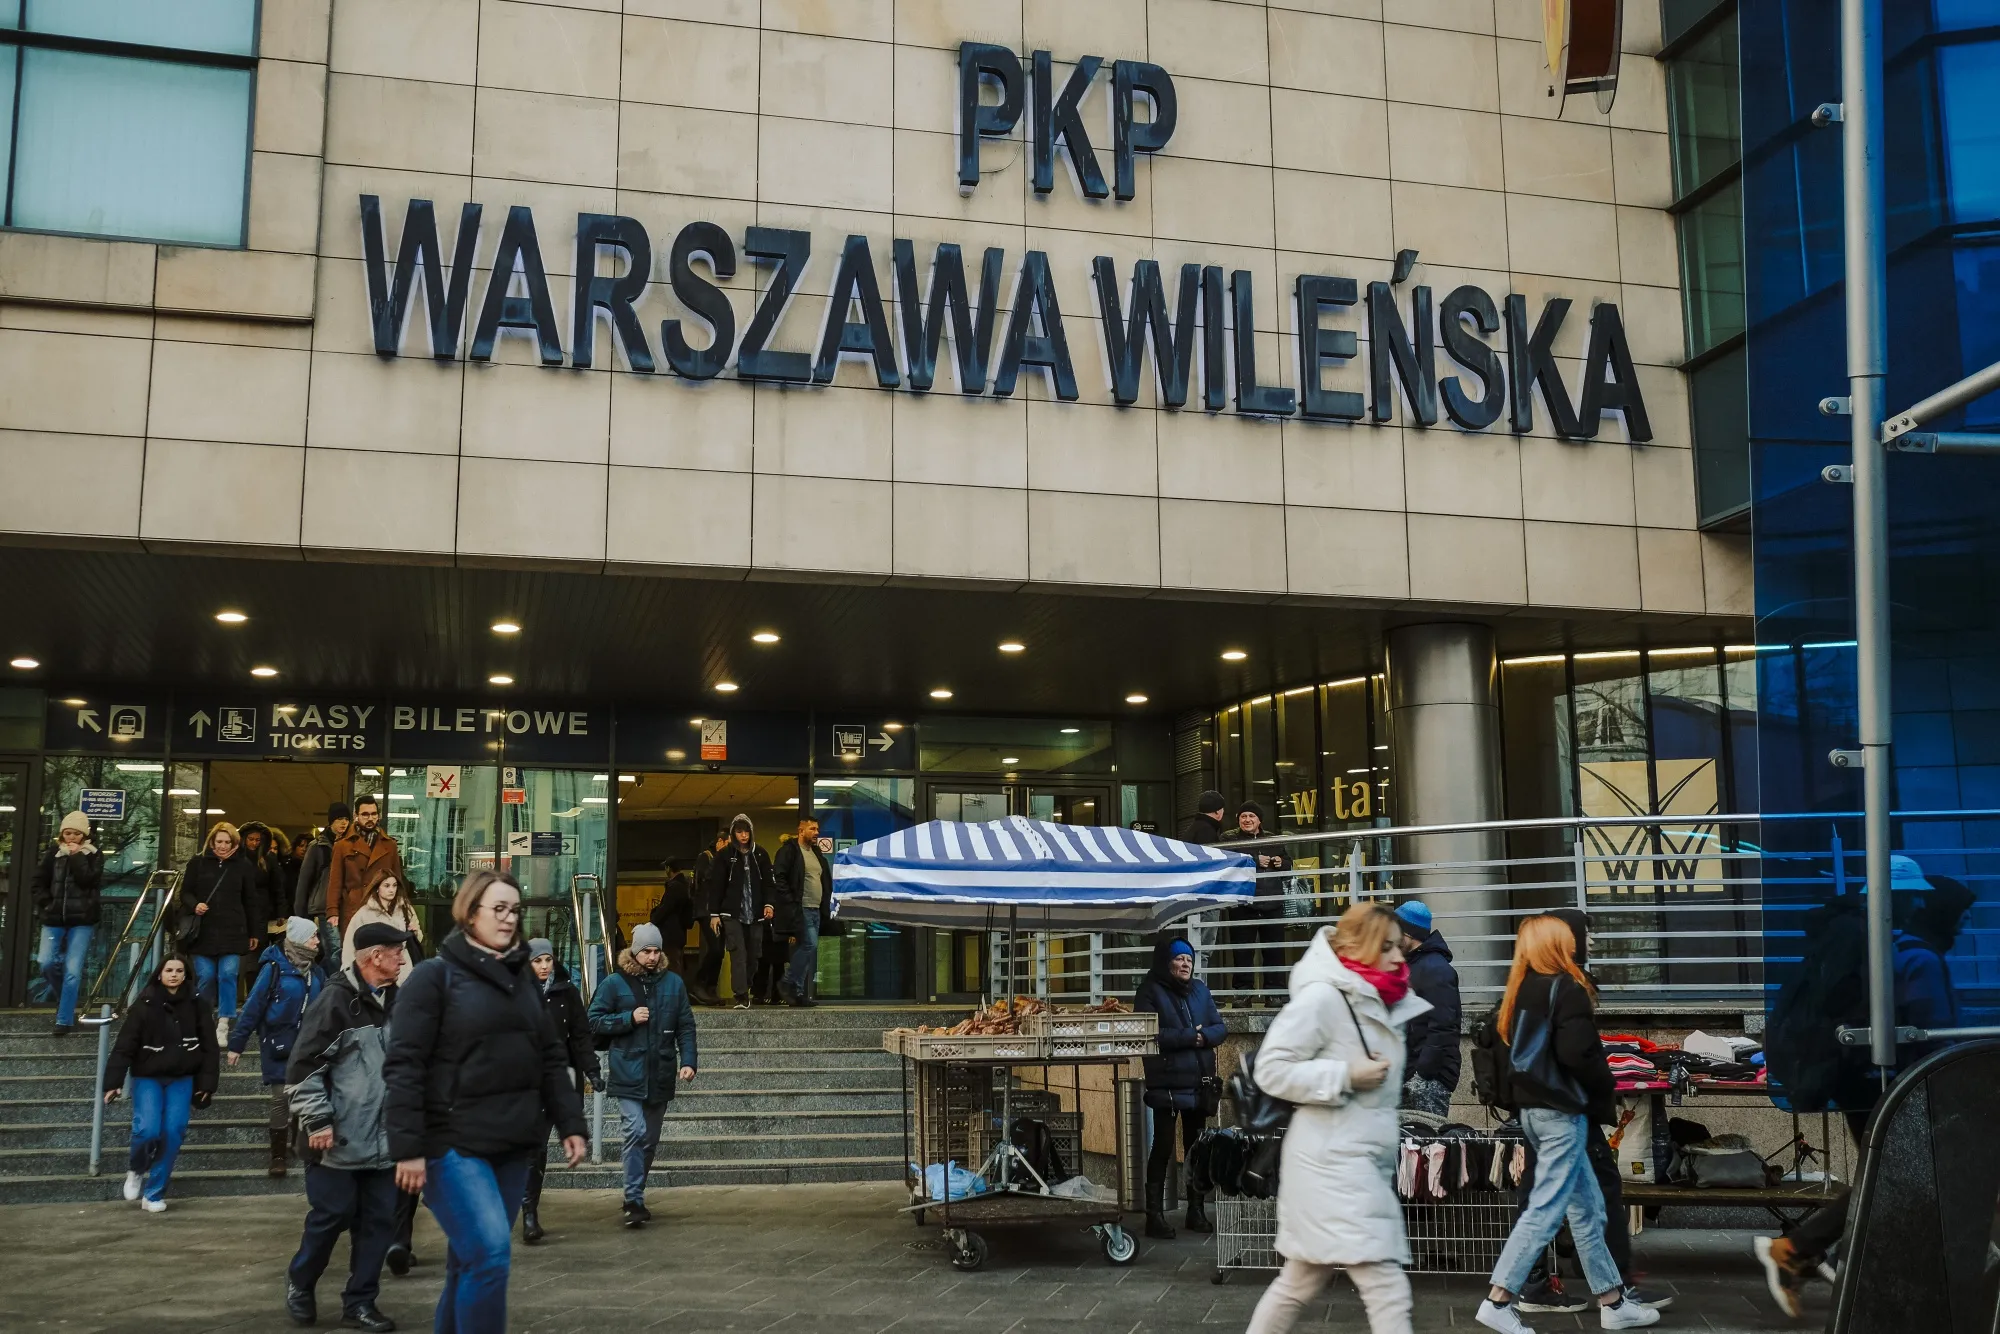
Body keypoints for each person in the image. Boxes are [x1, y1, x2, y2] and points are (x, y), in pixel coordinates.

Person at [1753, 864, 1976, 1317]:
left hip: (1858, 1078)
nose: (1918, 903)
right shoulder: (1916, 956)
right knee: (1897, 1182)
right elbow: (1932, 1032)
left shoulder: (1873, 945)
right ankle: (1804, 1251)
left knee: (1893, 1181)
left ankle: (1811, 1252)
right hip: (1892, 1084)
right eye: (1912, 896)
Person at [383, 868, 589, 1334]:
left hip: (514, 1143)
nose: (509, 918)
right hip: (451, 1144)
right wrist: (408, 1147)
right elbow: (404, 1066)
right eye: (498, 909)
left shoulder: (522, 980)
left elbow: (552, 1056)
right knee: (491, 1254)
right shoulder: (433, 979)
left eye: (515, 910)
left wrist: (570, 1122)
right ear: (469, 912)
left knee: (469, 1262)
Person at [1240, 902, 1429, 1334]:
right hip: (1333, 1162)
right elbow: (1271, 1069)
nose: (1400, 958)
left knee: (1299, 1281)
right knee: (1386, 1287)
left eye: (1400, 948)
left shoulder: (1382, 1000)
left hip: (1351, 1159)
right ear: (1361, 948)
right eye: (1388, 948)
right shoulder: (1325, 998)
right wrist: (1345, 1074)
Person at [1475, 915, 1658, 1333]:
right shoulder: (1567, 988)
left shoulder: (1521, 989)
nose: (1588, 939)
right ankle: (1498, 1301)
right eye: (1581, 935)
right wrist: (1603, 1089)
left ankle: (1613, 1302)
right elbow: (1579, 1054)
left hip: (1534, 1111)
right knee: (1545, 1210)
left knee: (1587, 1208)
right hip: (1562, 1113)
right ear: (1562, 944)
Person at [284, 922, 411, 1333]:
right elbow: (303, 1068)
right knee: (332, 1215)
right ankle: (301, 1282)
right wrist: (316, 1118)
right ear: (374, 956)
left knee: (377, 1224)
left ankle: (360, 1303)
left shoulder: (399, 1002)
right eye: (396, 952)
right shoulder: (335, 1002)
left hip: (383, 1142)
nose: (402, 959)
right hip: (335, 1141)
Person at [588, 922, 698, 1227]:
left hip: (660, 1071)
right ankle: (633, 1198)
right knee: (635, 1131)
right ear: (634, 952)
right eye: (646, 951)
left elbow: (686, 1026)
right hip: (628, 1072)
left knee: (649, 1139)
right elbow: (593, 1021)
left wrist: (688, 1061)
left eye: (655, 951)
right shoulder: (615, 983)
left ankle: (636, 1192)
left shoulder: (674, 984)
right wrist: (628, 1018)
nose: (651, 957)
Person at [104, 956, 219, 1212]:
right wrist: (113, 1082)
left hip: (182, 1078)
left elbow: (210, 1047)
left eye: (179, 971)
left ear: (186, 975)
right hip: (148, 1077)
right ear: (159, 974)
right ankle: (136, 1168)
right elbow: (125, 1045)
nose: (174, 974)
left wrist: (207, 1084)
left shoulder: (198, 1004)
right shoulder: (144, 1004)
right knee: (147, 1130)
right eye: (169, 970)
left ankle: (153, 1194)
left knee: (173, 1132)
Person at [1134, 936, 1225, 1240]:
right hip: (1167, 1084)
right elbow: (1149, 1034)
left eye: (1189, 958)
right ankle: (1154, 1216)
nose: (1186, 963)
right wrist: (1190, 1036)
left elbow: (1219, 1027)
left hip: (1198, 1083)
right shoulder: (1149, 990)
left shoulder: (1199, 990)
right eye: (1179, 958)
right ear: (1165, 961)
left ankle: (1195, 1210)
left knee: (1196, 1148)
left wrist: (1203, 1037)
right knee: (1162, 1147)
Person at [229, 916, 326, 1178]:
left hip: (308, 1047)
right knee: (281, 1098)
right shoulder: (273, 968)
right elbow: (253, 1007)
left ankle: (299, 1143)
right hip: (279, 1044)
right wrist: (236, 1043)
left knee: (305, 1096)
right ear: (299, 939)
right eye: (313, 935)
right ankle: (278, 1154)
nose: (318, 940)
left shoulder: (316, 971)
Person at [520, 937, 600, 1245]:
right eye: (537, 961)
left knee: (540, 1147)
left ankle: (529, 1207)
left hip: (561, 1078)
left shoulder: (566, 992)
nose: (543, 966)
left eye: (547, 960)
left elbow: (580, 1036)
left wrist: (592, 1070)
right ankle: (529, 1212)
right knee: (535, 1148)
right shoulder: (517, 992)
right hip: (526, 1080)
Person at [180, 820, 266, 1043]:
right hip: (203, 932)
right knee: (206, 977)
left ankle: (224, 1022)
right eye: (219, 841)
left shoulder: (243, 865)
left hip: (233, 930)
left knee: (228, 975)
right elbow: (185, 892)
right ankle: (205, 1018)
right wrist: (194, 905)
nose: (223, 846)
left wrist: (254, 932)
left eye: (228, 842)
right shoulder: (197, 863)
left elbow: (251, 901)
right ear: (212, 842)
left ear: (234, 843)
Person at [30, 811, 103, 1036]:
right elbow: (38, 882)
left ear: (84, 835)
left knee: (72, 970)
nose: (71, 838)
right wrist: (46, 903)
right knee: (46, 963)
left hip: (82, 921)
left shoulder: (93, 855)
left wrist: (76, 857)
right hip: (54, 920)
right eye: (67, 833)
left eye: (76, 834)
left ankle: (63, 1020)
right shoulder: (52, 854)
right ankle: (67, 1003)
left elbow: (89, 879)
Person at [1392, 901, 1461, 1117]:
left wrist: (1422, 1074)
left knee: (1424, 1145)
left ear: (1408, 934)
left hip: (1426, 1081)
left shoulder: (1435, 969)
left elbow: (1443, 1026)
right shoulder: (1414, 965)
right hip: (1413, 1075)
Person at [703, 814, 776, 1009]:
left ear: (751, 832)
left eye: (746, 831)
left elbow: (769, 883)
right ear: (734, 834)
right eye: (739, 832)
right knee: (738, 953)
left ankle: (746, 987)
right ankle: (741, 994)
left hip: (756, 914)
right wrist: (714, 914)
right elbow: (716, 885)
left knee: (754, 955)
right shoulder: (725, 855)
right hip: (731, 914)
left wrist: (769, 904)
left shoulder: (760, 854)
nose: (743, 836)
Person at [1221, 801, 1292, 1002]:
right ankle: (1243, 994)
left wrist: (1280, 863)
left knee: (1274, 952)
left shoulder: (1273, 839)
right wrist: (1255, 859)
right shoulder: (1229, 838)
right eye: (1243, 816)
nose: (1247, 820)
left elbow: (1288, 864)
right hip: (1243, 904)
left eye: (1251, 816)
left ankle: (1274, 994)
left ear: (1259, 820)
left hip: (1272, 903)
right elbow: (1228, 859)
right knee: (1242, 952)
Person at [329, 797, 408, 942]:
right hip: (354, 907)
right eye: (365, 814)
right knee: (353, 953)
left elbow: (397, 879)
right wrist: (332, 912)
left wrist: (401, 908)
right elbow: (335, 881)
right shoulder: (342, 845)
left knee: (382, 954)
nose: (370, 818)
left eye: (374, 814)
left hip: (382, 907)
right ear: (356, 816)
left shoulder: (389, 845)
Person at [774, 818, 833, 1007]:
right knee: (810, 945)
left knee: (805, 950)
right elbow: (780, 876)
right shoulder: (790, 851)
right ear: (801, 830)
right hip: (801, 908)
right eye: (812, 829)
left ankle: (797, 992)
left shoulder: (816, 853)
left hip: (816, 908)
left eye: (817, 829)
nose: (816, 832)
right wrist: (791, 901)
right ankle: (787, 981)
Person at [295, 803, 353, 962]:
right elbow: (304, 881)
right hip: (324, 907)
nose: (344, 823)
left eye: (347, 819)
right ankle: (333, 985)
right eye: (339, 818)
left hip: (347, 905)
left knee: (343, 950)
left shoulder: (352, 845)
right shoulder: (317, 847)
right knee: (335, 950)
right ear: (331, 821)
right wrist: (301, 915)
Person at [343, 869, 425, 982]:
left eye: (394, 886)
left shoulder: (405, 908)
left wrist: (415, 933)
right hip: (377, 971)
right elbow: (350, 945)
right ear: (377, 888)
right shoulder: (364, 913)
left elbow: (418, 938)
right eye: (386, 886)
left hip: (403, 970)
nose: (391, 890)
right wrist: (350, 974)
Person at [688, 828, 730, 1006]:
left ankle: (710, 987)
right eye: (728, 844)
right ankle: (699, 983)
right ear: (720, 842)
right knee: (715, 948)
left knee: (720, 951)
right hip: (706, 910)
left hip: (719, 911)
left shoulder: (725, 860)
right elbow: (704, 881)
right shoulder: (706, 857)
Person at [648, 871, 696, 980]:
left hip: (670, 934)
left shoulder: (674, 888)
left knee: (672, 965)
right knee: (676, 962)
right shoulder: (686, 888)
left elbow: (665, 908)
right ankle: (677, 992)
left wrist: (653, 920)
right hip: (680, 934)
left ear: (668, 869)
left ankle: (675, 994)